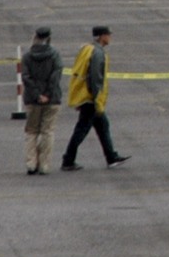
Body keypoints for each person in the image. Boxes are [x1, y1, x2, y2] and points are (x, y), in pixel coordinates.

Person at [62, 26, 129, 171]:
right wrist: (97, 100)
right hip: (91, 98)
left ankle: (111, 157)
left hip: (85, 96)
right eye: (107, 35)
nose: (110, 37)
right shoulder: (98, 53)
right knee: (81, 130)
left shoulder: (87, 49)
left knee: (103, 125)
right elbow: (95, 79)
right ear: (101, 37)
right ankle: (68, 160)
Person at [19, 27, 64, 176]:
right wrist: (48, 94)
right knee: (47, 131)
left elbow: (26, 77)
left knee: (31, 131)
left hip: (32, 99)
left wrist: (38, 95)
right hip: (52, 99)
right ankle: (44, 165)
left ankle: (31, 163)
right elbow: (55, 77)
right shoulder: (55, 55)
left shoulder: (27, 57)